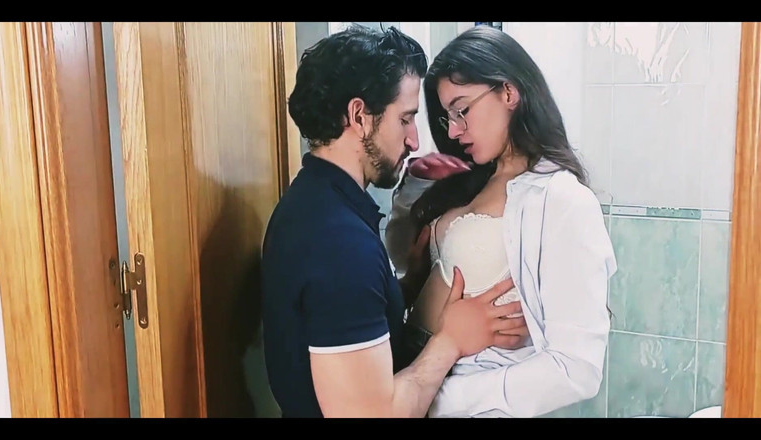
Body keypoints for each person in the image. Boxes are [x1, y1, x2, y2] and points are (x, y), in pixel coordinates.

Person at [260, 24, 527, 418]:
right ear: (359, 116)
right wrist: (451, 340)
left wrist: (408, 286)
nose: (414, 140)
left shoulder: (313, 203)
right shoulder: (339, 244)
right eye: (405, 119)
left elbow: (338, 313)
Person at [384, 25, 618, 418]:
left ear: (509, 93)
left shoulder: (562, 200)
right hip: (408, 379)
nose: (453, 130)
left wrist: (439, 399)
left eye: (462, 110)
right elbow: (399, 258)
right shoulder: (469, 180)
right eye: (447, 117)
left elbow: (577, 369)